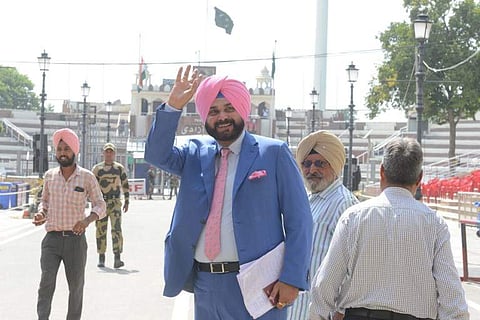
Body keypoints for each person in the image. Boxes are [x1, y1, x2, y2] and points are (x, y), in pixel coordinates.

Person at [144, 65, 312, 320]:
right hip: (206, 284)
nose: (221, 117)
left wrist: (292, 278)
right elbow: (156, 155)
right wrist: (173, 107)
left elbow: (300, 221)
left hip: (259, 286)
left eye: (228, 108)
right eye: (213, 111)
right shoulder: (194, 153)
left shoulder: (273, 153)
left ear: (242, 109)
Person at [309, 137, 470, 320]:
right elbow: (452, 297)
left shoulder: (354, 217)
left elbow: (325, 285)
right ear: (419, 178)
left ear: (382, 172)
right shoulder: (434, 224)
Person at [32, 128, 106, 320]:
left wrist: (87, 220)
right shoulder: (49, 176)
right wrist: (41, 213)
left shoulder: (87, 177)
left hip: (75, 242)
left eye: (66, 149)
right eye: (59, 149)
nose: (62, 153)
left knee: (76, 287)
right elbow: (45, 201)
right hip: (51, 240)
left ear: (75, 151)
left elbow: (100, 204)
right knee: (46, 283)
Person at [287, 130, 359, 320]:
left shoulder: (344, 204)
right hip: (298, 306)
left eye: (320, 163)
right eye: (307, 164)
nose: (312, 170)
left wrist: (342, 309)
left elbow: (354, 263)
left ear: (334, 166)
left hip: (324, 311)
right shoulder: (309, 200)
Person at [92, 142, 130, 268]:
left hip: (115, 203)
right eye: (107, 152)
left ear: (114, 154)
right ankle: (101, 257)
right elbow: (92, 186)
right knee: (100, 229)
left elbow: (125, 183)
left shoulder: (119, 168)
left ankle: (117, 258)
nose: (109, 154)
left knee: (117, 229)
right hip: (101, 203)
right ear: (103, 153)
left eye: (111, 152)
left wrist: (127, 200)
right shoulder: (97, 169)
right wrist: (92, 202)